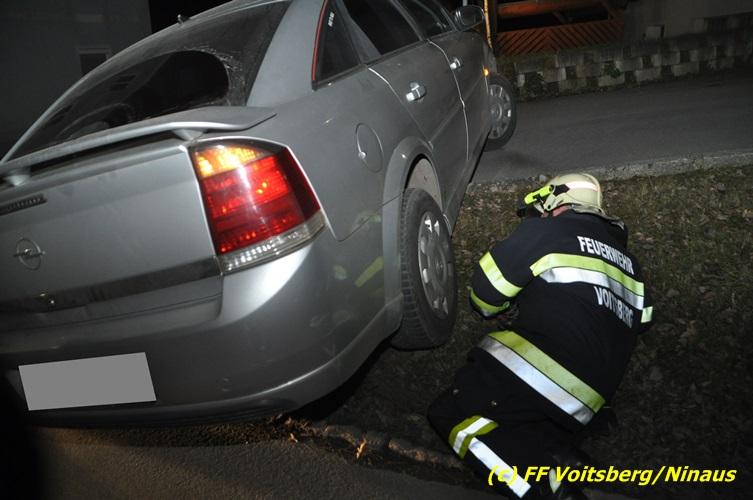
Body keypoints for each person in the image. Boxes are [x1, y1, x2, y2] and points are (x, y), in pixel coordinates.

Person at [428, 173, 653, 499]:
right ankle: (559, 455)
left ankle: (545, 490)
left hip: (541, 373)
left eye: (542, 210)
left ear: (554, 203)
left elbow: (485, 293)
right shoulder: (631, 265)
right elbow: (643, 320)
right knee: (518, 422)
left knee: (453, 416)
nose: (541, 216)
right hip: (590, 400)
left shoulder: (549, 231)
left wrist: (503, 305)